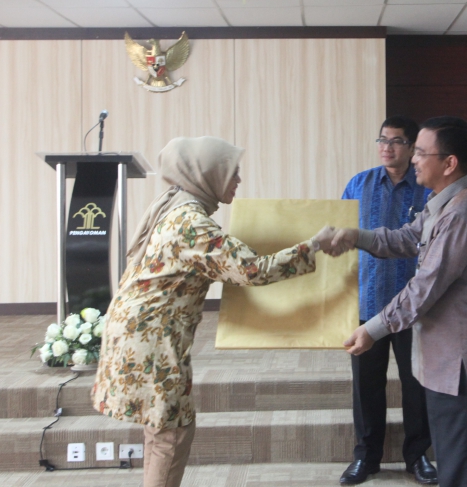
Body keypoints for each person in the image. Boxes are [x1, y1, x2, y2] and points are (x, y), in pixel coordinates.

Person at [92, 136, 337, 487]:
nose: (238, 179)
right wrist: (314, 245)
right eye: (232, 172)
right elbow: (252, 270)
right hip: (150, 340)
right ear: (207, 173)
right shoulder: (192, 223)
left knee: (162, 428)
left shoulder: (175, 206)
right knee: (172, 432)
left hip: (139, 331)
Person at [330, 117, 467, 487]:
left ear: (449, 163)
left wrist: (372, 329)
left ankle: (418, 456)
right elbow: (408, 238)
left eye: (421, 152)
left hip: (459, 362)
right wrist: (356, 236)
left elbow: (424, 288)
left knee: (463, 465)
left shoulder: (460, 214)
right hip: (448, 355)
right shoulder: (444, 202)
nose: (414, 159)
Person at [339, 117, 435, 485]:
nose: (387, 147)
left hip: (414, 308)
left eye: (396, 141)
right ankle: (366, 457)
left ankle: (418, 456)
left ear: (411, 148)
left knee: (416, 384)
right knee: (366, 386)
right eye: (382, 140)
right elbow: (343, 242)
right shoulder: (358, 185)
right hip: (367, 305)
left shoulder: (427, 190)